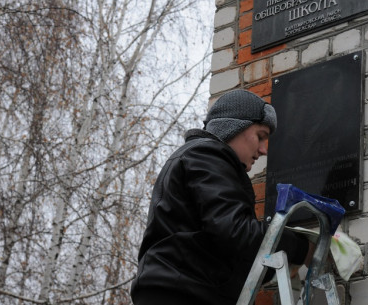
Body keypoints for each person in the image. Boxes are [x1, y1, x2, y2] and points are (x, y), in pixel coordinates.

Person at [130, 89, 314, 305]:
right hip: (182, 294)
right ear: (233, 127)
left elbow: (223, 250)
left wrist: (276, 268)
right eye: (260, 136)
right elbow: (236, 231)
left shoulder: (202, 160)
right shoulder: (206, 156)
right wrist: (302, 249)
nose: (264, 150)